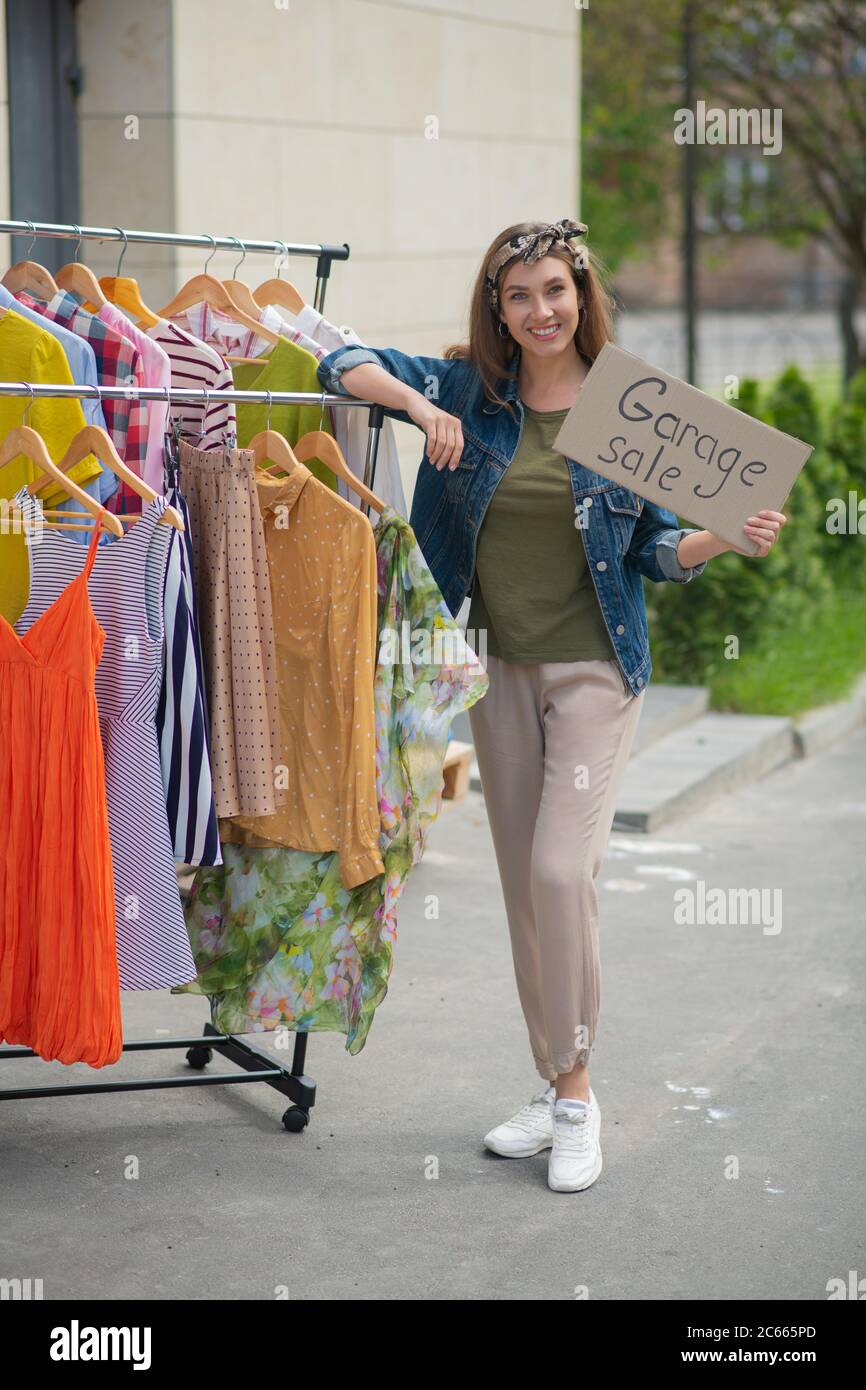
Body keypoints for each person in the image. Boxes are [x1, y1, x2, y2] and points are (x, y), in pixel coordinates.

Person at [315, 217, 786, 1193]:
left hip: (591, 672)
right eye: (518, 294)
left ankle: (574, 1096)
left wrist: (719, 539)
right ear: (497, 305)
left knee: (560, 870)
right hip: (493, 670)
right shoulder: (466, 394)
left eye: (554, 291)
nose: (539, 311)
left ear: (582, 295)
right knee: (527, 888)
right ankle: (551, 1081)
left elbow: (653, 551)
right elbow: (337, 358)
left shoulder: (628, 408)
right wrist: (415, 403)